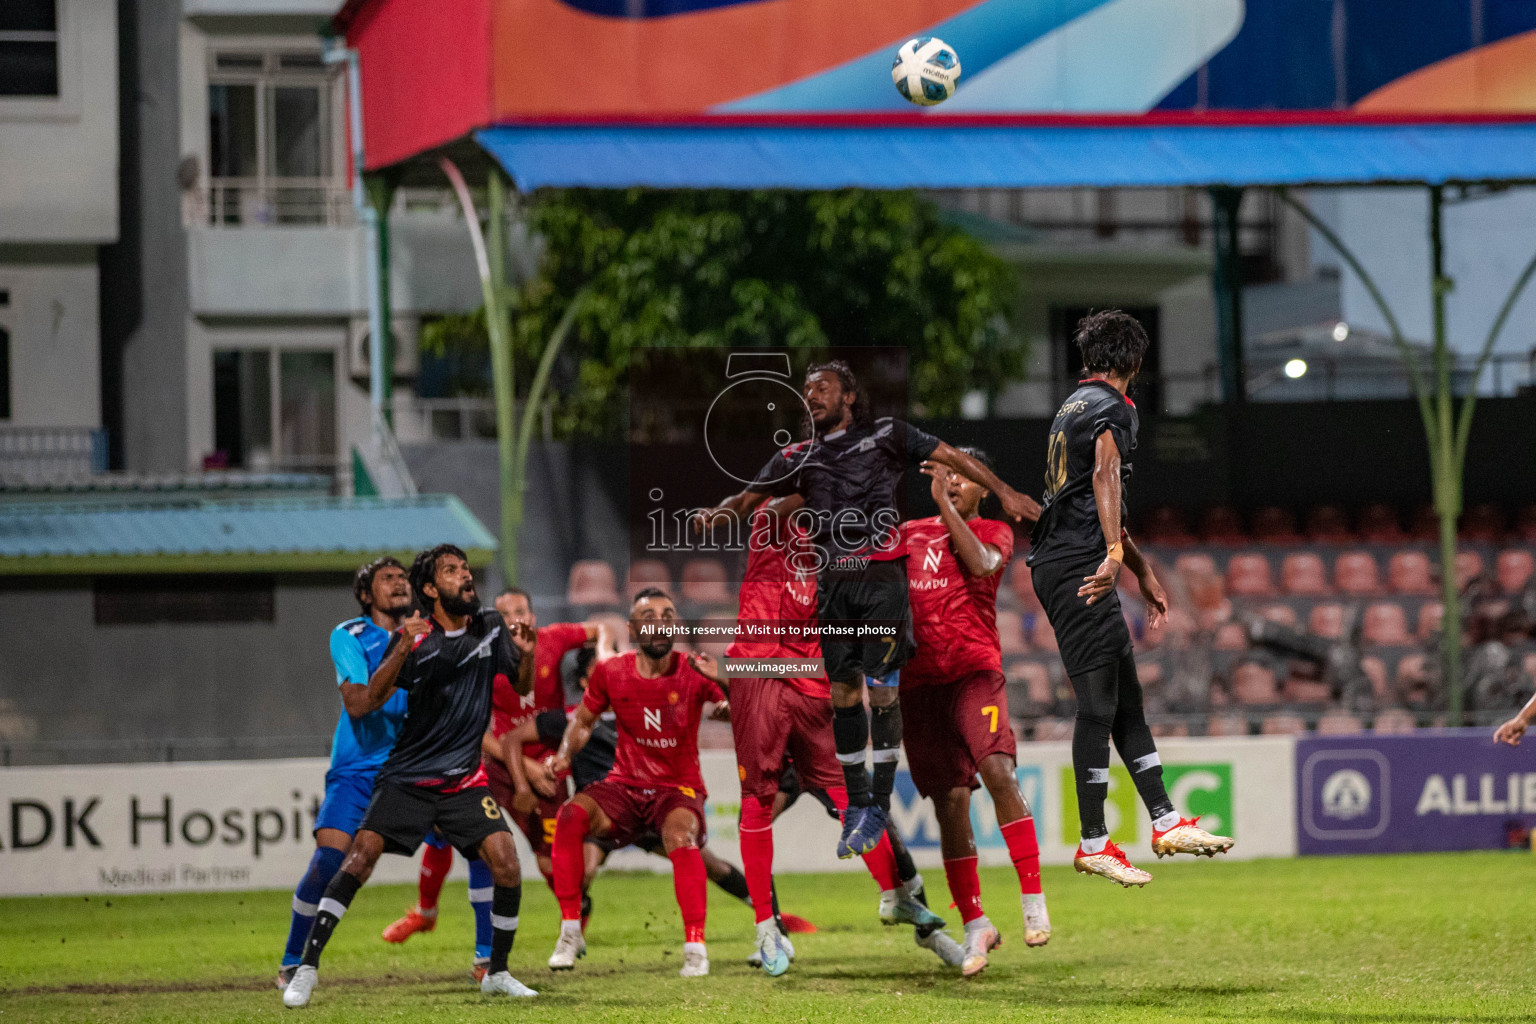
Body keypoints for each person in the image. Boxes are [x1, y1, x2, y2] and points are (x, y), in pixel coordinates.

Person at [692, 360, 1039, 860]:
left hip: (880, 577)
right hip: (834, 585)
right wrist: (717, 513)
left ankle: (876, 801)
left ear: (849, 395)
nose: (811, 396)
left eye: (822, 388)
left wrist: (1004, 491)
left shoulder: (886, 435)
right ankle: (859, 806)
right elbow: (749, 499)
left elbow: (953, 458)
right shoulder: (801, 456)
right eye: (805, 390)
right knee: (844, 691)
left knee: (881, 689)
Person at [282, 545, 538, 1008]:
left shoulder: (491, 625)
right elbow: (364, 702)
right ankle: (303, 968)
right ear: (430, 588)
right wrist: (402, 645)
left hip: (462, 780)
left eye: (465, 568)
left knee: (503, 858)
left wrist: (525, 655)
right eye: (451, 570)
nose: (465, 575)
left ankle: (494, 968)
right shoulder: (400, 640)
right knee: (353, 860)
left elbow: (522, 685)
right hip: (402, 776)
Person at [1027, 311, 1232, 888]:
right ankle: (1094, 841)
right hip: (1078, 568)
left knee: (1125, 703)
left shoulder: (1074, 405)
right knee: (1098, 705)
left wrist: (1137, 566)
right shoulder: (1115, 408)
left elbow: (1090, 497)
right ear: (1136, 363)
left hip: (1069, 561)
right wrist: (1115, 556)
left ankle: (1165, 821)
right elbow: (1104, 477)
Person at [728, 498, 961, 975]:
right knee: (758, 799)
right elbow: (775, 503)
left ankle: (901, 900)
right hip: (760, 668)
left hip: (815, 681)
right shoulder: (775, 520)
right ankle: (767, 930)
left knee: (855, 800)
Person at [277, 557, 475, 989]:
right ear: (366, 594)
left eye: (403, 577)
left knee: (481, 845)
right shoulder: (349, 636)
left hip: (413, 767)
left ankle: (485, 961)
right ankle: (293, 961)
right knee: (330, 862)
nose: (399, 583)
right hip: (358, 770)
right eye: (387, 579)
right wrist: (404, 645)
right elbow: (359, 704)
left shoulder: (435, 634)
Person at [379, 587, 608, 961]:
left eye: (522, 610)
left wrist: (604, 656)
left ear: (533, 616)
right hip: (498, 762)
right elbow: (478, 729)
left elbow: (602, 628)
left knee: (552, 860)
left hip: (549, 764)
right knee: (450, 835)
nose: (516, 618)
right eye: (505, 613)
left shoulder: (553, 639)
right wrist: (523, 771)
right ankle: (432, 916)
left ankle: (575, 913)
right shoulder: (481, 653)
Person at [902, 450, 1050, 976]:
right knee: (950, 803)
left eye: (965, 477)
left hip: (974, 674)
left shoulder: (993, 531)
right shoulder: (907, 534)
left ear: (984, 488)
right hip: (918, 687)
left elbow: (983, 566)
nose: (955, 482)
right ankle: (975, 924)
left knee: (998, 771)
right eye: (948, 475)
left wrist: (944, 505)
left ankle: (1033, 900)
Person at [544, 588, 729, 978]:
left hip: (678, 789)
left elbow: (735, 709)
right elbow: (582, 721)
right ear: (632, 628)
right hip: (624, 787)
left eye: (667, 615)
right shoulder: (612, 673)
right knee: (569, 817)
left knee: (681, 838)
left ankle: (696, 946)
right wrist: (563, 755)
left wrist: (727, 686)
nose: (660, 622)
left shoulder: (694, 668)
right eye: (649, 616)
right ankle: (570, 930)